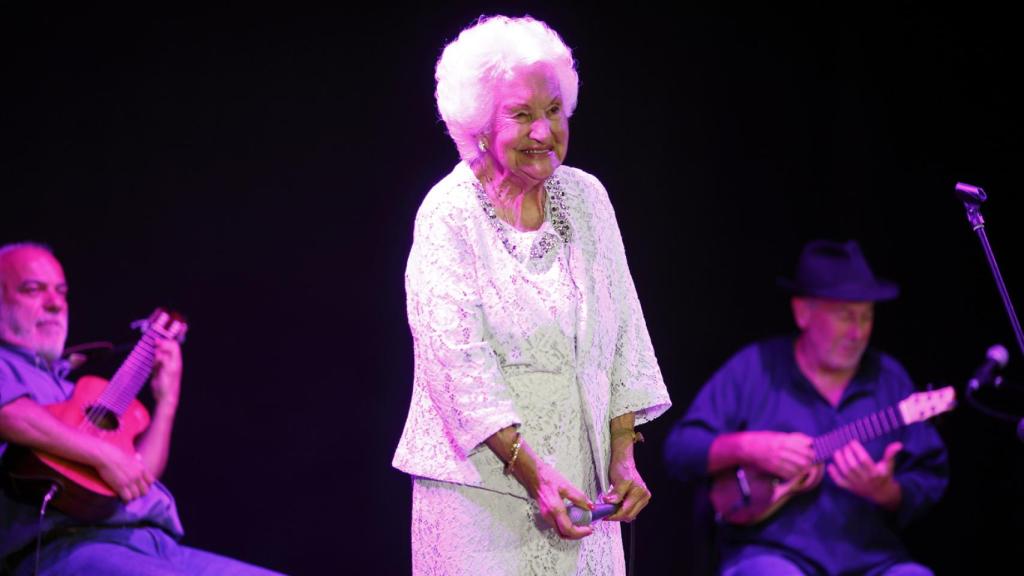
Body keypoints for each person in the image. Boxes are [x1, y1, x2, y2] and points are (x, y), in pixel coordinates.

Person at [391, 15, 672, 575]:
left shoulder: (588, 199)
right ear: (478, 126)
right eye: (521, 115)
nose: (543, 131)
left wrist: (622, 456)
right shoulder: (448, 215)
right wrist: (536, 477)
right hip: (484, 503)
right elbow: (459, 372)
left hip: (584, 499)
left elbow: (623, 339)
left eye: (553, 111)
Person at [664, 239, 949, 576]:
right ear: (803, 312)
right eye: (845, 316)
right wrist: (751, 447)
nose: (858, 332)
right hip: (771, 554)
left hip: (873, 560)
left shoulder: (890, 379)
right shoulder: (755, 368)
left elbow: (928, 477)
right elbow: (680, 450)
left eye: (867, 316)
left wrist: (888, 492)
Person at [0, 242, 283, 576]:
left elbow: (137, 476)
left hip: (155, 544)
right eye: (32, 290)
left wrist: (167, 400)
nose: (54, 304)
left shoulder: (77, 389)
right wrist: (104, 456)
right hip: (69, 547)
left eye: (61, 292)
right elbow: (10, 415)